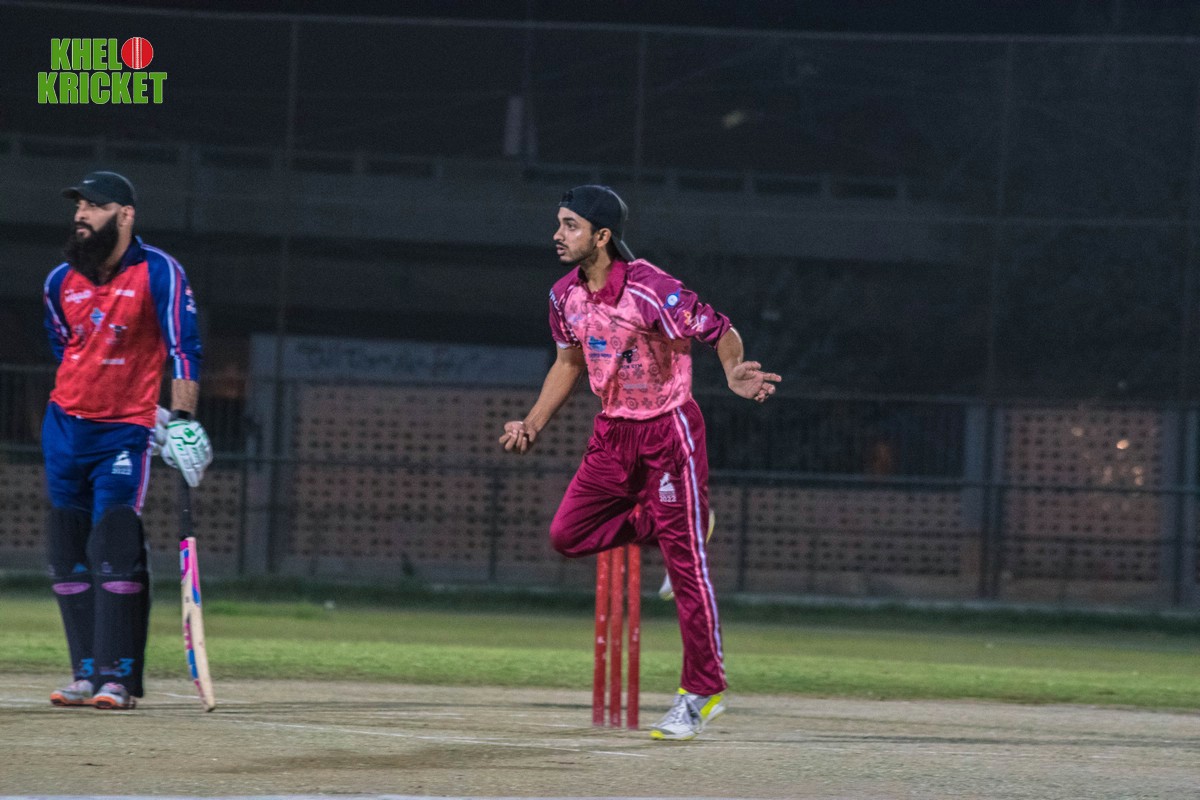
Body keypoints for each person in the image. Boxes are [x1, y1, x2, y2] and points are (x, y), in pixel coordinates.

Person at [499, 185, 780, 740]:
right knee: (567, 534)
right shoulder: (563, 295)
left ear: (602, 236)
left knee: (686, 567)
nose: (558, 234)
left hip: (668, 431)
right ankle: (682, 524)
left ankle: (702, 692)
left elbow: (719, 329)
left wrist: (733, 370)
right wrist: (532, 422)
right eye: (559, 223)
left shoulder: (651, 288)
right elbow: (568, 363)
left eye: (570, 225)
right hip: (612, 433)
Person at [42, 170, 213, 710]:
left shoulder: (158, 270)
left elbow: (184, 347)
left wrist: (180, 419)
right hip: (64, 426)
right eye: (78, 206)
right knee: (66, 552)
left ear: (126, 215)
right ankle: (85, 673)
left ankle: (117, 677)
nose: (81, 215)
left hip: (123, 430)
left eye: (94, 206)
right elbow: (66, 347)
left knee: (114, 547)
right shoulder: (59, 280)